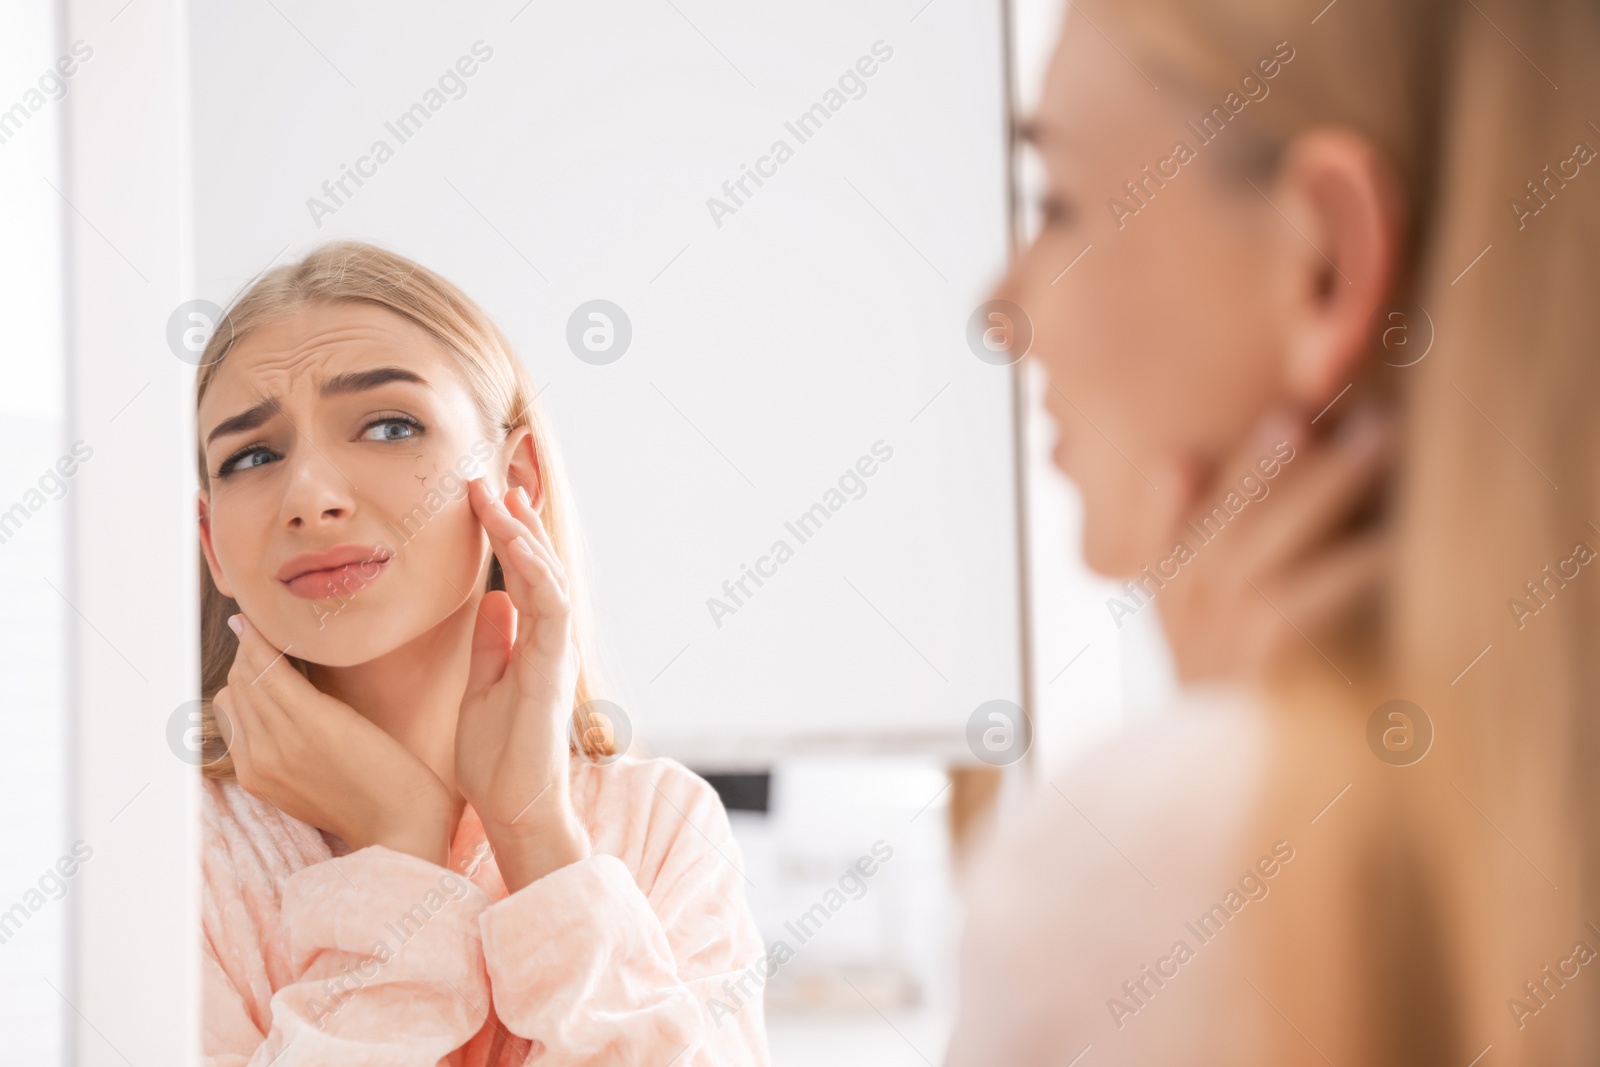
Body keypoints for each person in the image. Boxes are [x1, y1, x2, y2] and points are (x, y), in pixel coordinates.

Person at [946, 0, 1600, 1063]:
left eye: (1056, 203)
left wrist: (1229, 773)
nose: (1000, 310)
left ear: (1326, 266)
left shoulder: (1135, 870)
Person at [192, 241, 771, 1065]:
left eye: (390, 425)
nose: (311, 497)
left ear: (517, 478)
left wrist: (537, 836)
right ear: (213, 543)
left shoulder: (663, 830)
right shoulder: (169, 863)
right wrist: (397, 845)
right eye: (251, 455)